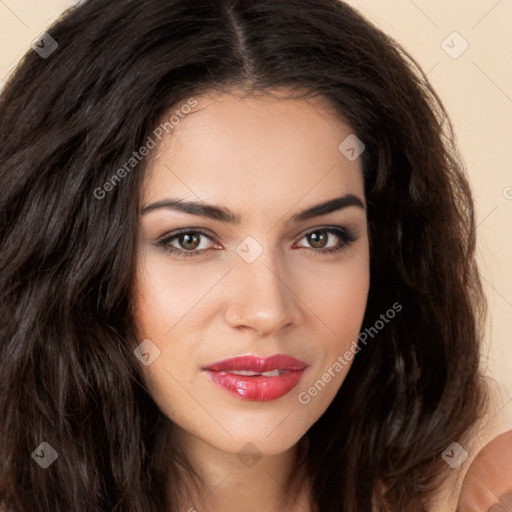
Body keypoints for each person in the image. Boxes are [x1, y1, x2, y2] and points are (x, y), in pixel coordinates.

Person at [0, 0, 493, 510]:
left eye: (320, 237)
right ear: (69, 254)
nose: (267, 311)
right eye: (189, 240)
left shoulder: (479, 473)